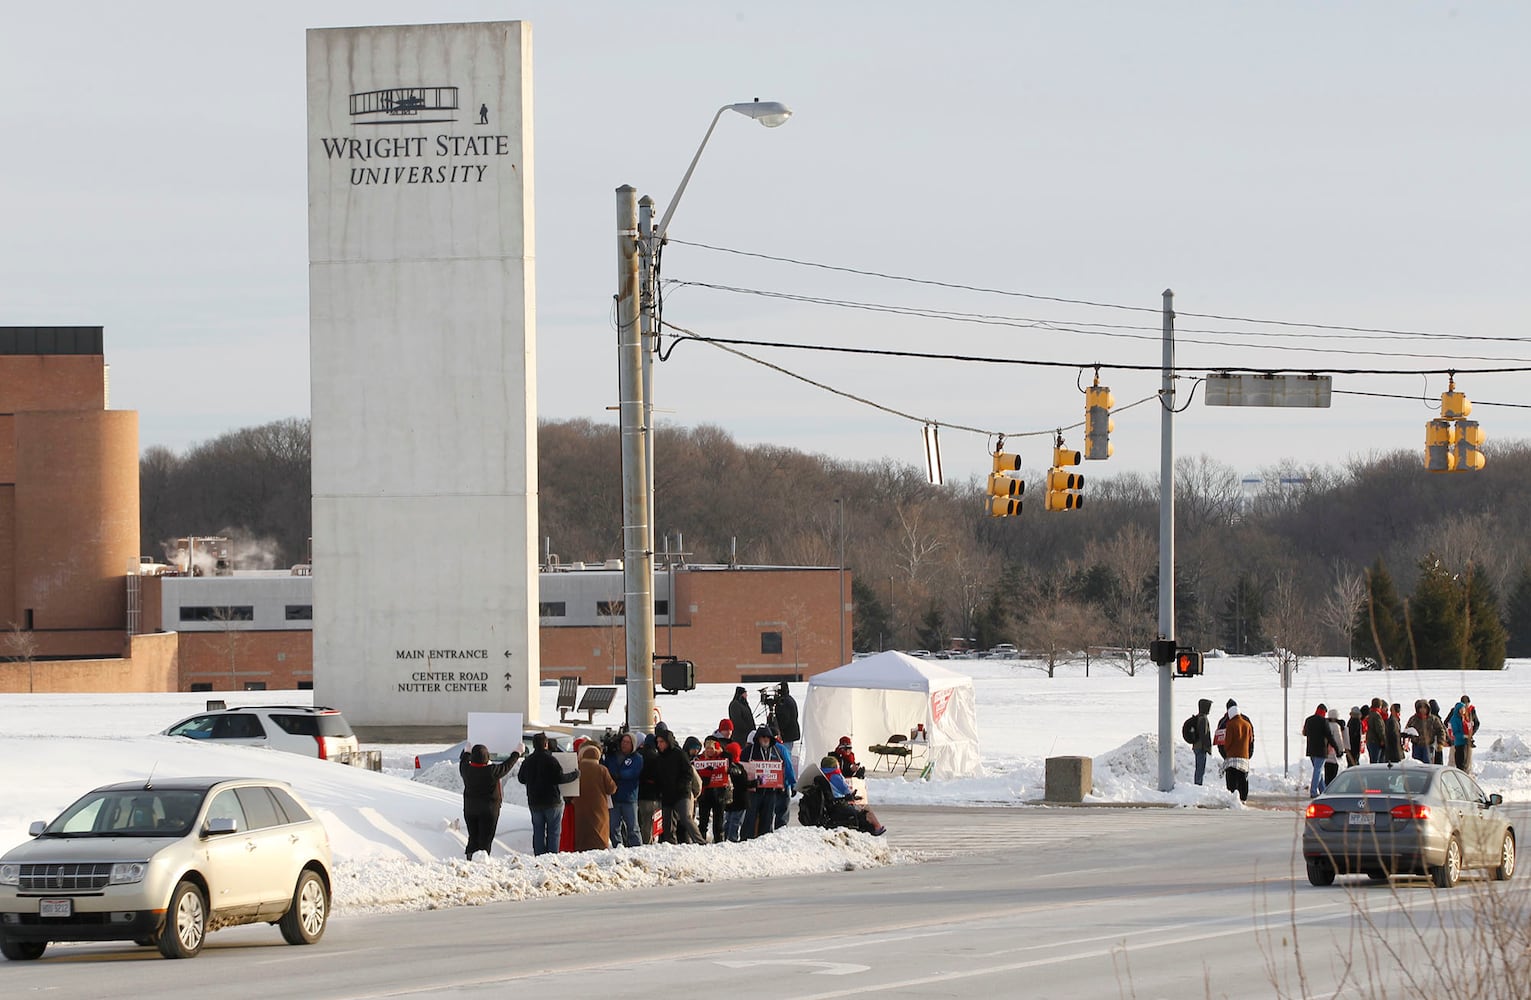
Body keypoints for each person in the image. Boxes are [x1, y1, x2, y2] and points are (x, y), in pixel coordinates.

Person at [518, 733, 577, 855]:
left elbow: (521, 779)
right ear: (546, 744)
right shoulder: (551, 760)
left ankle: (539, 856)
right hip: (552, 801)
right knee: (553, 832)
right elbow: (559, 778)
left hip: (534, 801)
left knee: (538, 831)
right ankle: (552, 856)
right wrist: (574, 775)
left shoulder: (527, 761)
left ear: (534, 745)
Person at [458, 743, 520, 860]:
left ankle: (470, 858)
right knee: (485, 839)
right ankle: (482, 860)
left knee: (473, 836)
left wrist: (466, 752)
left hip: (470, 810)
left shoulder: (466, 770)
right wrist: (516, 753)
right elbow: (507, 765)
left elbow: (463, 761)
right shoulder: (491, 771)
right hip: (489, 811)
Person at [653, 729, 704, 844]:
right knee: (667, 824)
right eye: (658, 742)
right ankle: (671, 846)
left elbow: (688, 773)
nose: (659, 744)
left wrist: (682, 785)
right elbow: (658, 777)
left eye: (661, 742)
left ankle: (700, 842)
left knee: (686, 818)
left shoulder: (679, 754)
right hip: (667, 795)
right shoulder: (659, 758)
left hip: (682, 793)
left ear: (667, 742)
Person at [814, 755, 885, 835]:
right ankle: (877, 828)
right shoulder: (835, 775)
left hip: (831, 806)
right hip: (839, 805)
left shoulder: (821, 776)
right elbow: (846, 790)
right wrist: (851, 795)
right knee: (865, 808)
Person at [740, 725, 788, 839]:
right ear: (758, 738)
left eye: (767, 737)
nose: (765, 739)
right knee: (750, 816)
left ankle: (764, 840)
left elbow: (782, 768)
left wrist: (782, 785)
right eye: (762, 737)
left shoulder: (776, 751)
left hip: (771, 791)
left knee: (768, 817)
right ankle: (746, 839)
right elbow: (742, 769)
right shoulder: (748, 751)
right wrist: (747, 783)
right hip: (754, 791)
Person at [602, 732, 643, 848]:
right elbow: (604, 769)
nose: (624, 744)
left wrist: (616, 775)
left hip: (629, 798)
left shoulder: (637, 758)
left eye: (628, 742)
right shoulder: (612, 757)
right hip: (614, 798)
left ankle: (637, 849)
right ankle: (618, 849)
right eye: (623, 742)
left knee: (633, 828)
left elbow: (632, 773)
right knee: (613, 827)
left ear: (633, 745)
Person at [574, 743, 617, 851]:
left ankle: (581, 848)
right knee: (599, 830)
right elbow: (611, 789)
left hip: (580, 806)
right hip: (599, 807)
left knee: (582, 829)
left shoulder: (577, 768)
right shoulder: (602, 769)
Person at [694, 738, 732, 843]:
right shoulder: (700, 759)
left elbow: (729, 759)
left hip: (719, 793)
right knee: (703, 821)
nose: (709, 751)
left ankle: (719, 841)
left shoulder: (722, 758)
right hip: (705, 794)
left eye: (712, 748)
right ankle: (701, 841)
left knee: (718, 822)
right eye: (707, 749)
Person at [1301, 703, 1340, 797]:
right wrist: (1337, 748)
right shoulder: (1323, 721)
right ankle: (1313, 792)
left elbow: (1304, 733)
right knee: (1318, 771)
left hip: (1311, 749)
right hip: (1321, 749)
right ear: (1324, 712)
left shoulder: (1309, 720)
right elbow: (1329, 736)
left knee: (1318, 770)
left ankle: (1323, 791)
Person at [1222, 701, 1254, 803]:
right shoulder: (1247, 724)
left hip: (1232, 756)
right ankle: (1243, 798)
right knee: (1243, 779)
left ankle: (1233, 797)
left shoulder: (1230, 724)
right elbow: (1251, 740)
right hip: (1244, 756)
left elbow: (1228, 742)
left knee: (1232, 778)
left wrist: (1226, 750)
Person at [636, 731, 663, 845]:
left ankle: (638, 842)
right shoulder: (657, 757)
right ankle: (647, 843)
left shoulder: (637, 755)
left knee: (639, 821)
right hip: (652, 794)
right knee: (649, 822)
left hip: (638, 793)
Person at [723, 742, 751, 842]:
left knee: (728, 821)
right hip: (740, 800)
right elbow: (744, 784)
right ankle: (732, 839)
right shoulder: (738, 767)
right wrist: (757, 782)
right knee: (736, 821)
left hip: (729, 799)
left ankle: (725, 838)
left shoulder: (725, 766)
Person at [1446, 695, 1481, 773]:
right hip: (1456, 739)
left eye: (1467, 704)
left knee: (1467, 760)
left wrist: (1471, 734)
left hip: (1467, 740)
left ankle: (1467, 775)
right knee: (1454, 759)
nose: (1465, 706)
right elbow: (1447, 723)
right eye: (1464, 704)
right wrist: (1450, 734)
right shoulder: (1455, 711)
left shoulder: (1471, 711)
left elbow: (1477, 723)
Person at [1406, 700, 1443, 765]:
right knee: (1416, 765)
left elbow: (1440, 731)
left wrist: (1440, 743)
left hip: (1428, 746)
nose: (1423, 710)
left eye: (1425, 708)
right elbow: (1407, 731)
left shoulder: (1433, 719)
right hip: (1416, 746)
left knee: (1427, 765)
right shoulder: (1413, 719)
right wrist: (1406, 743)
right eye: (1421, 708)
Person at [774, 682, 801, 763]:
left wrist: (779, 730)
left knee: (785, 755)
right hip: (791, 732)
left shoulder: (783, 701)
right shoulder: (789, 699)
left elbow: (784, 718)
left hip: (787, 734)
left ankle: (787, 771)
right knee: (787, 753)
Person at [1189, 699, 1213, 786]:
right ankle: (1198, 785)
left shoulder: (1198, 717)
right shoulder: (1203, 719)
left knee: (1199, 767)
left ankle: (1197, 784)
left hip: (1196, 746)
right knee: (1200, 768)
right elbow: (1204, 734)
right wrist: (1207, 747)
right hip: (1201, 747)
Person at [1324, 709, 1344, 786]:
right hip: (1333, 750)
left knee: (1327, 770)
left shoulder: (1325, 724)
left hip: (1325, 751)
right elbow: (1339, 739)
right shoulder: (1336, 726)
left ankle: (1326, 785)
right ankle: (1331, 786)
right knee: (1334, 768)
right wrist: (1341, 750)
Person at [1364, 699, 1387, 763]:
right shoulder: (1377, 715)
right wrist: (1384, 739)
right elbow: (1380, 729)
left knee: (1373, 760)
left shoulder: (1369, 713)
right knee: (1376, 762)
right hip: (1375, 741)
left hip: (1369, 740)